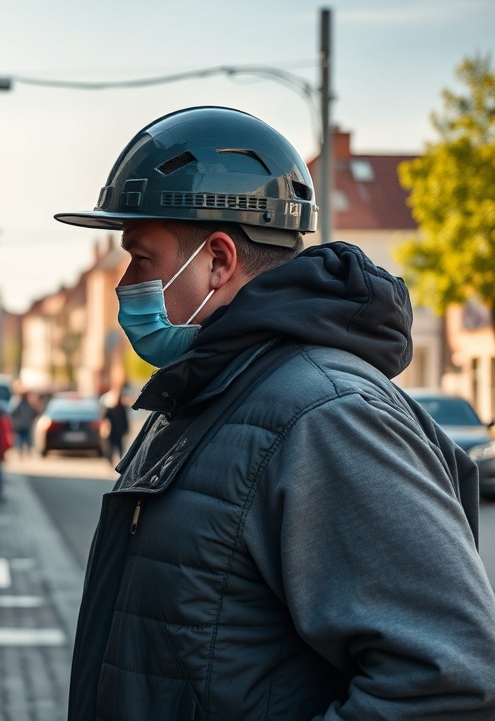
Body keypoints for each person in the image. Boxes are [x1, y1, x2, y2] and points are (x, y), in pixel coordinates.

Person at [54, 106, 495, 719]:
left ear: (218, 260)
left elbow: (446, 680)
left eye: (142, 258)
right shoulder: (212, 389)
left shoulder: (328, 415)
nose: (126, 280)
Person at [102, 390, 129, 463]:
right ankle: (110, 460)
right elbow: (104, 419)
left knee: (120, 446)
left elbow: (125, 419)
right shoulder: (110, 409)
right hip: (112, 430)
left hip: (120, 431)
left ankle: (120, 459)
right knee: (111, 446)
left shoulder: (122, 408)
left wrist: (126, 429)